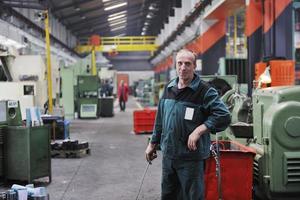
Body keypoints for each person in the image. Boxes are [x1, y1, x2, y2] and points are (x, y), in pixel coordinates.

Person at [145, 49, 231, 200]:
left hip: (191, 159)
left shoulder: (204, 91)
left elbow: (224, 115)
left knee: (192, 197)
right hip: (169, 156)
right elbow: (160, 119)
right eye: (180, 63)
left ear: (194, 66)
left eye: (187, 64)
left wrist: (199, 130)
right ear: (175, 65)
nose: (183, 67)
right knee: (168, 195)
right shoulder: (169, 88)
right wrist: (153, 143)